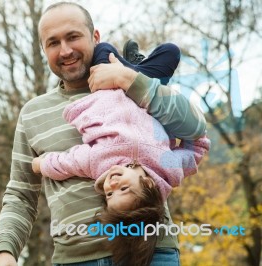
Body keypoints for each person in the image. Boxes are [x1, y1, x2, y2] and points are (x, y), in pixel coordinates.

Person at [0, 2, 207, 266]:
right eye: (53, 43)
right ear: (44, 50)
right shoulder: (32, 113)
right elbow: (20, 195)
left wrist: (129, 79)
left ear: (95, 37)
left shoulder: (135, 88)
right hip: (75, 258)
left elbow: (196, 127)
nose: (66, 50)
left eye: (73, 37)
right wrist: (4, 252)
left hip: (152, 251)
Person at [31, 42, 210, 265]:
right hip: (137, 91)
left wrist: (39, 164)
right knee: (172, 51)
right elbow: (198, 146)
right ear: (149, 184)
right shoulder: (169, 167)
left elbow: (65, 163)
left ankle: (132, 65)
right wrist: (176, 127)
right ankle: (132, 67)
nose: (112, 186)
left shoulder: (98, 162)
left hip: (103, 89)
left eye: (109, 195)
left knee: (103, 49)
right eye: (124, 188)